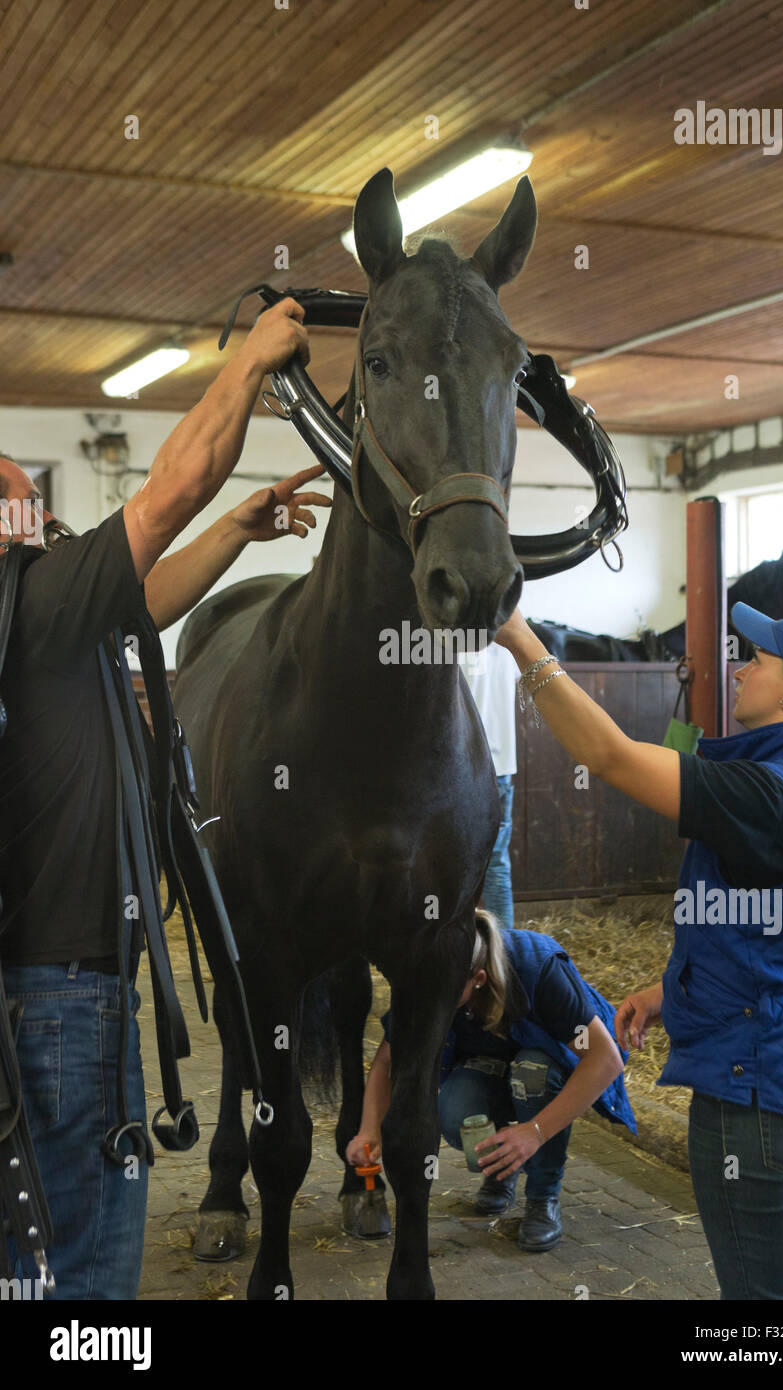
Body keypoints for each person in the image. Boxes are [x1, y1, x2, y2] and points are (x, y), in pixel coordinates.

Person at [0, 297, 330, 1298]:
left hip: (44, 985)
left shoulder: (40, 612)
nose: (45, 525)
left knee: (39, 1240)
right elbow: (172, 485)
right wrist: (250, 363)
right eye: (26, 510)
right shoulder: (35, 594)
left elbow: (139, 600)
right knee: (88, 1254)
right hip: (65, 994)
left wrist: (236, 531)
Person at [494, 601, 783, 1300]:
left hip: (755, 1081)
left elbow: (607, 755)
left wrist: (520, 640)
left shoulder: (766, 792)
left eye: (757, 660)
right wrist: (675, 989)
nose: (740, 667)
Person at [347, 910, 636, 1252]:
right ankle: (503, 1171)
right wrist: (369, 1130)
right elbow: (386, 1061)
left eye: (441, 996)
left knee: (532, 1072)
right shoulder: (428, 979)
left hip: (544, 1064)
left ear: (478, 979)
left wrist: (535, 1132)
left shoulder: (538, 970)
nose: (430, 1006)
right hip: (492, 1065)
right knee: (455, 1113)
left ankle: (543, 1197)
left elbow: (605, 1059)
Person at [458, 642, 519, 929]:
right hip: (501, 769)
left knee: (454, 861)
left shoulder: (455, 646)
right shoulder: (510, 649)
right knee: (497, 864)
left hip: (461, 769)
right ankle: (505, 951)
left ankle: (459, 942)